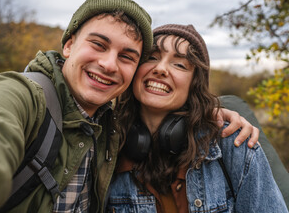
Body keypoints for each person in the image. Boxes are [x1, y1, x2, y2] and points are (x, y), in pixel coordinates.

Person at [0, 0, 258, 213]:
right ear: (69, 45)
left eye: (127, 56)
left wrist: (214, 112)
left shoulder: (111, 131)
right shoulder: (21, 94)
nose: (110, 64)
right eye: (98, 45)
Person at [107, 24, 288, 212]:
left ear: (194, 84)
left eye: (179, 65)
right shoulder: (107, 146)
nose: (160, 69)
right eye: (152, 57)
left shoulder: (233, 144)